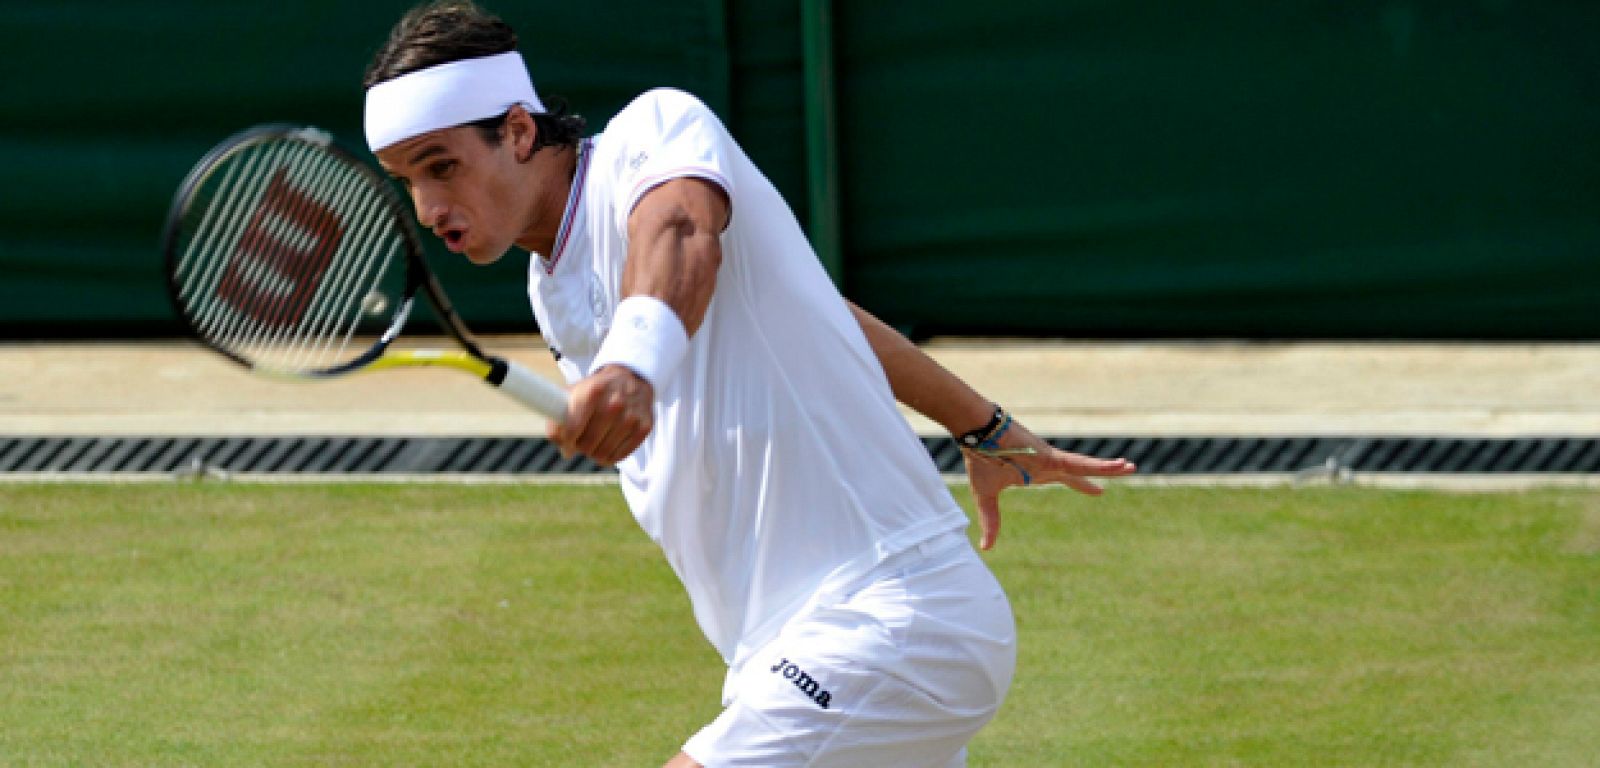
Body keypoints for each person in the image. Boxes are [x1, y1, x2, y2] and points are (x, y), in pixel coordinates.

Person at [363, 2, 1136, 765]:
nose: (428, 209)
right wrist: (983, 427)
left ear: (520, 131)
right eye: (407, 181)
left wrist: (633, 366)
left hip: (893, 617)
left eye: (442, 166)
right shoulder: (550, 289)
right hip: (777, 655)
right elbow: (821, 315)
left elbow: (679, 233)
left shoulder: (656, 131)